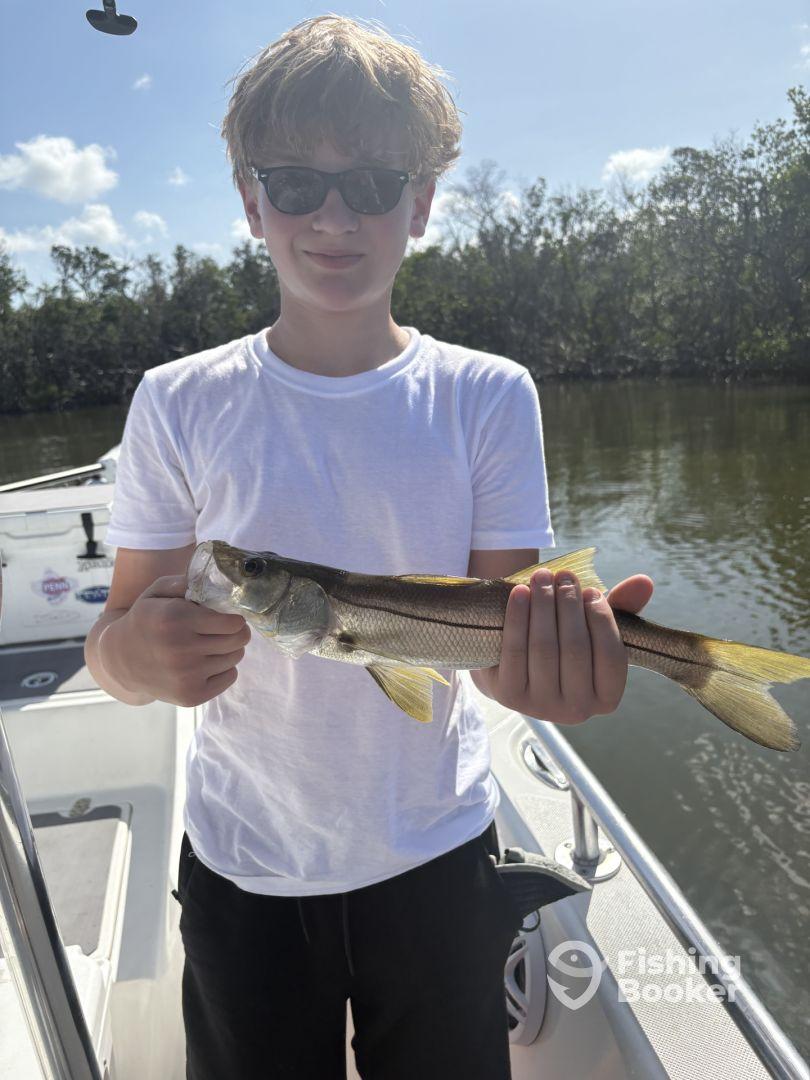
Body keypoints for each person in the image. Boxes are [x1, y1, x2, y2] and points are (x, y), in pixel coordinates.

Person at [85, 14, 653, 1079]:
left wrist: (559, 674)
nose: (333, 215)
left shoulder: (489, 395)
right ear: (252, 202)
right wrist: (131, 658)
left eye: (376, 182)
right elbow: (114, 639)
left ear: (423, 202)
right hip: (243, 869)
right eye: (296, 184)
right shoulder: (176, 401)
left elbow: (499, 648)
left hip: (439, 856)